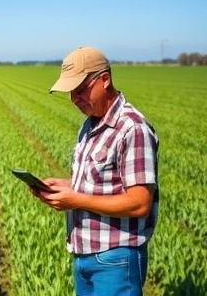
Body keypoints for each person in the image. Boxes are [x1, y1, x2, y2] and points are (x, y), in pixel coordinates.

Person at [35, 46, 159, 296]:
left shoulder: (132, 128)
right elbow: (99, 182)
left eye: (80, 90)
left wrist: (75, 200)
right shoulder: (90, 123)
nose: (74, 99)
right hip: (84, 255)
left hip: (115, 258)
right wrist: (63, 186)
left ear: (105, 79)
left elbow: (139, 203)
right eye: (71, 92)